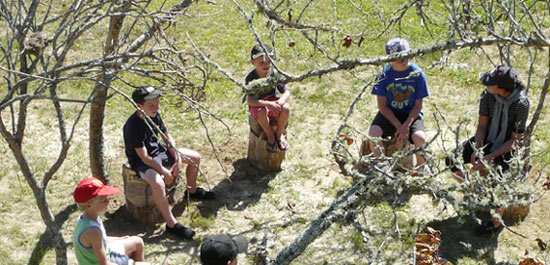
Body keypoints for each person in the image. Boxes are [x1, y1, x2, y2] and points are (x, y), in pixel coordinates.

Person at [446, 65, 530, 235]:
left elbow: (515, 140)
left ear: (501, 89)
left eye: (490, 83)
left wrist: (491, 156)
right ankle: (472, 192)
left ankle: (495, 223)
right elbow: (482, 126)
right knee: (452, 159)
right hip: (488, 139)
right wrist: (478, 150)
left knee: (502, 180)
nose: (486, 85)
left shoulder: (521, 104)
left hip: (508, 146)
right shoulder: (488, 96)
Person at [123, 86, 215, 240]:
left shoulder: (154, 115)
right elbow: (144, 157)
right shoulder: (132, 125)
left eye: (157, 103)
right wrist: (164, 172)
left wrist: (177, 157)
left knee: (195, 157)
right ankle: (171, 224)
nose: (156, 107)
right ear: (139, 106)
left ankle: (191, 191)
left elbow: (167, 137)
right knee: (158, 183)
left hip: (160, 152)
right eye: (151, 105)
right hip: (141, 162)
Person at [367, 38, 429, 169]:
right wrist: (398, 125)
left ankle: (422, 168)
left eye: (406, 55)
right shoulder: (384, 74)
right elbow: (382, 106)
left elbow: (418, 106)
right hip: (390, 113)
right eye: (398, 57)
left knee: (420, 138)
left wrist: (406, 126)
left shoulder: (417, 74)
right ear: (390, 59)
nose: (403, 60)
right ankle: (382, 166)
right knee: (373, 133)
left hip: (410, 114)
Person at [73, 177, 151, 265]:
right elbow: (104, 263)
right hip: (105, 261)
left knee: (137, 242)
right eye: (103, 201)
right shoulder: (92, 231)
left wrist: (119, 239)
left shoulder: (86, 217)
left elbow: (100, 240)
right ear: (89, 206)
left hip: (108, 253)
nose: (108, 202)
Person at [245, 44, 291, 153]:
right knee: (261, 112)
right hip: (259, 105)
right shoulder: (251, 78)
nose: (266, 65)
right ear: (253, 62)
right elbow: (250, 100)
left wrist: (280, 102)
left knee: (286, 108)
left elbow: (286, 92)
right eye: (261, 62)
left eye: (268, 62)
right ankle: (270, 135)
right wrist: (266, 104)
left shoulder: (274, 75)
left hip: (274, 102)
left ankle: (279, 133)